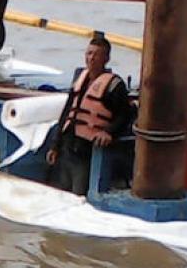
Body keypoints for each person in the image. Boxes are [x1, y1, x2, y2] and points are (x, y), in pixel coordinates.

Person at [46, 34, 133, 196]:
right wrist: (55, 146)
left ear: (106, 59)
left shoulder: (114, 85)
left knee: (79, 193)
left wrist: (109, 132)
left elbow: (125, 115)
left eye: (96, 55)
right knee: (59, 192)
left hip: (87, 149)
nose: (91, 58)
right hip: (67, 146)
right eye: (89, 53)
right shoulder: (80, 80)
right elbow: (67, 112)